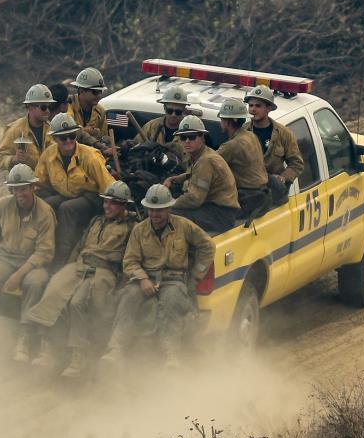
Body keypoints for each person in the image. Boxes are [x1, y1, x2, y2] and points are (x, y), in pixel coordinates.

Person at [26, 181, 136, 377]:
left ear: (123, 205)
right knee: (54, 292)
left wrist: (122, 281)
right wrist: (68, 266)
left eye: (113, 203)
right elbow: (79, 246)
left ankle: (79, 355)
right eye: (105, 202)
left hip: (105, 270)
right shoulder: (96, 221)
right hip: (80, 264)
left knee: (79, 302)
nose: (107, 207)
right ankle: (49, 349)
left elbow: (131, 257)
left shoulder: (132, 227)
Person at [101, 184, 215, 370]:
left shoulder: (183, 226)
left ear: (169, 208)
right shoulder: (139, 230)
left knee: (171, 303)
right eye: (151, 210)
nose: (155, 215)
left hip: (174, 280)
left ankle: (171, 355)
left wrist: (196, 276)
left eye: (160, 210)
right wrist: (142, 279)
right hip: (146, 279)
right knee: (127, 299)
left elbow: (207, 246)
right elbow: (130, 261)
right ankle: (115, 350)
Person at [0, 164, 56, 361]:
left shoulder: (45, 213)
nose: (20, 193)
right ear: (11, 190)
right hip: (5, 257)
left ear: (32, 188)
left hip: (33, 263)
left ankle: (25, 339)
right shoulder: (3, 206)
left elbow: (45, 252)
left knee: (35, 283)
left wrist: (18, 276)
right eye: (16, 189)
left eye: (24, 188)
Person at [34, 113, 115, 266]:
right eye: (63, 137)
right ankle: (41, 247)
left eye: (72, 136)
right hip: (66, 194)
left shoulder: (90, 156)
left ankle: (61, 258)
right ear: (55, 139)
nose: (68, 141)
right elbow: (39, 182)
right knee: (45, 205)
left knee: (67, 209)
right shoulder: (48, 155)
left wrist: (112, 211)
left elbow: (108, 186)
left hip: (93, 198)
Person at [163, 116, 239, 234]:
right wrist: (175, 179)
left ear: (202, 137)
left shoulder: (205, 161)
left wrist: (168, 203)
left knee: (166, 215)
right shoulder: (201, 154)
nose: (187, 141)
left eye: (192, 137)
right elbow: (195, 174)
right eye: (183, 137)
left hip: (220, 215)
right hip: (215, 210)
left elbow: (194, 199)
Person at [244, 85, 303, 205]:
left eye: (258, 106)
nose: (253, 109)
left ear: (269, 108)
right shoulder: (243, 132)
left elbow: (297, 164)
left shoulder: (284, 134)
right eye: (251, 105)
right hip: (249, 193)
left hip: (275, 195)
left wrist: (283, 178)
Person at [216, 98, 272, 219]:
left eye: (221, 119)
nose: (220, 122)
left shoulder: (232, 146)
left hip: (247, 199)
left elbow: (205, 164)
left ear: (227, 122)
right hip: (261, 196)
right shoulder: (251, 136)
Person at [0, 84, 55, 171]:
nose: (48, 111)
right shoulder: (15, 130)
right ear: (30, 107)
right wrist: (13, 159)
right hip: (25, 182)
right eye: (43, 107)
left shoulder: (53, 130)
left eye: (50, 107)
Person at [134, 85, 188, 157]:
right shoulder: (151, 126)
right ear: (164, 108)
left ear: (184, 111)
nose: (173, 115)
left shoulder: (189, 132)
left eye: (178, 112)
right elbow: (135, 146)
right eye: (170, 111)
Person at [68, 67, 110, 152]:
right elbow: (70, 132)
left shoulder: (100, 111)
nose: (99, 96)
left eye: (100, 92)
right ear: (82, 91)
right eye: (95, 92)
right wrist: (88, 132)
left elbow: (104, 136)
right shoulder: (68, 106)